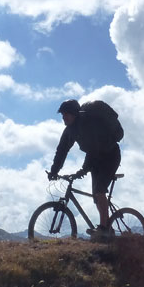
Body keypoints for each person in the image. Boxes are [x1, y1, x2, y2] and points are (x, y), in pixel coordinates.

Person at [47, 98, 122, 237]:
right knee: (96, 196)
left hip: (110, 156)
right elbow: (61, 151)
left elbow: (94, 148)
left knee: (99, 191)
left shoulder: (88, 124)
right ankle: (107, 229)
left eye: (66, 114)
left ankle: (103, 228)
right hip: (96, 160)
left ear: (74, 113)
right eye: (62, 115)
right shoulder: (70, 131)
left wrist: (83, 169)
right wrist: (54, 171)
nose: (63, 117)